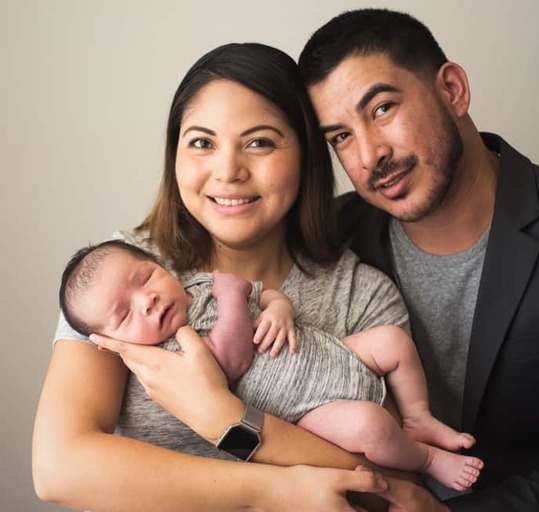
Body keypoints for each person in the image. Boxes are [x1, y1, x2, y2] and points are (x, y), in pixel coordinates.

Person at [33, 42, 425, 512]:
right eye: (202, 143)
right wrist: (277, 488)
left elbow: (396, 490)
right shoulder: (123, 275)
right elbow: (60, 466)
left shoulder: (362, 297)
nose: (228, 171)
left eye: (259, 142)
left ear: (306, 153)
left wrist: (225, 417)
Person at [296, 7, 539, 512]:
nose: (368, 155)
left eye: (382, 109)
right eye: (340, 136)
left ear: (452, 89)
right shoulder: (331, 237)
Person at [58, 239, 484, 491]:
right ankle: (427, 458)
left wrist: (279, 308)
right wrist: (230, 297)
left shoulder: (198, 283)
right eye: (124, 314)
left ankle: (419, 415)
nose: (146, 299)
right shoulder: (169, 354)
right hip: (311, 408)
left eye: (146, 277)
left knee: (392, 341)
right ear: (107, 341)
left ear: (158, 264)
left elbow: (266, 295)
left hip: (333, 350)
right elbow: (229, 360)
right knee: (371, 427)